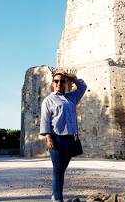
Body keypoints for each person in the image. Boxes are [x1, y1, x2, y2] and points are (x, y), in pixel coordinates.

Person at [40, 71, 87, 202]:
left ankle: (55, 195)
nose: (59, 83)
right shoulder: (48, 100)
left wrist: (72, 78)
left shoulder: (71, 98)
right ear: (52, 83)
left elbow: (83, 87)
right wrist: (48, 138)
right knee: (58, 170)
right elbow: (45, 120)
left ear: (65, 83)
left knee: (62, 170)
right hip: (57, 138)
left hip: (70, 139)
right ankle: (57, 199)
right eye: (56, 81)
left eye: (61, 81)